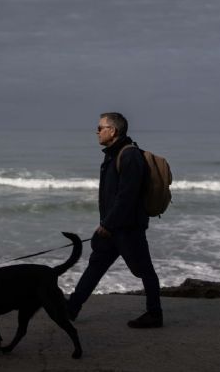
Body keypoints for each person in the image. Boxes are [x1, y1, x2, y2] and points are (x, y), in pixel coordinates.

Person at [67, 112, 163, 328]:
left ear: (113, 131)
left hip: (128, 228)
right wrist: (107, 224)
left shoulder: (129, 156)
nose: (97, 132)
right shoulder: (113, 154)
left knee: (144, 270)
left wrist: (107, 224)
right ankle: (71, 308)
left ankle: (155, 314)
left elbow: (127, 196)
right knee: (96, 266)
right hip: (113, 227)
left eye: (101, 128)